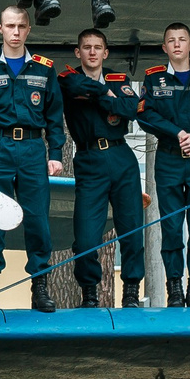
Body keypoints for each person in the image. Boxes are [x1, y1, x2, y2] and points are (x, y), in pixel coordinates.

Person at [0, 5, 65, 312]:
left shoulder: (44, 69)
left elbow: (54, 115)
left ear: (28, 30)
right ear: (0, 29)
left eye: (21, 27)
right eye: (10, 26)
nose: (15, 32)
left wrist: (57, 153)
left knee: (37, 218)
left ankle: (40, 286)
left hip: (33, 150)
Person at [137, 21, 190, 307]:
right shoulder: (153, 78)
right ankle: (174, 288)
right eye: (171, 40)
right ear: (164, 47)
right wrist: (176, 132)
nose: (176, 44)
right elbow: (144, 116)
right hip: (169, 160)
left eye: (182, 39)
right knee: (171, 227)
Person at [60, 28, 146, 307]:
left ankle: (131, 291)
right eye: (87, 47)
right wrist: (105, 94)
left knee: (131, 230)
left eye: (98, 47)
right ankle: (90, 294)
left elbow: (132, 108)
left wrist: (101, 95)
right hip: (89, 160)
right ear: (78, 52)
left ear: (105, 53)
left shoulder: (119, 79)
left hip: (122, 158)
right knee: (85, 238)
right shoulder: (68, 79)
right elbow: (75, 88)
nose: (93, 52)